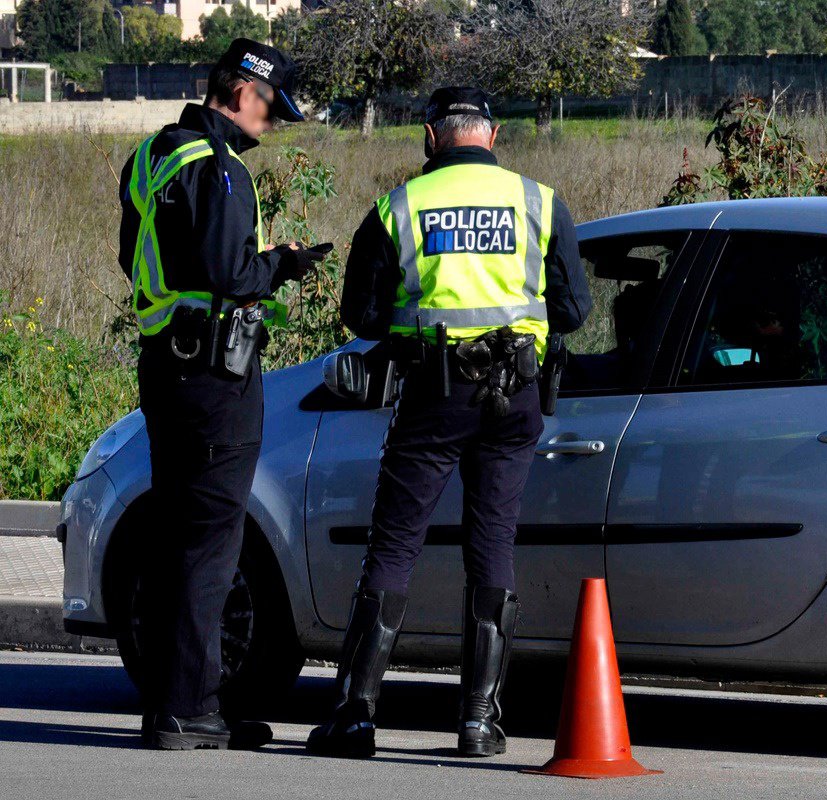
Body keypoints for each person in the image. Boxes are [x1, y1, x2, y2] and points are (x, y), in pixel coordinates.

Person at [307, 87, 592, 759]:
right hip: (514, 396)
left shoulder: (399, 207)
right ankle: (479, 722)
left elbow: (361, 315)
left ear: (432, 136)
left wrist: (415, 318)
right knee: (492, 545)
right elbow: (574, 311)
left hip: (434, 396)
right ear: (492, 135)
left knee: (394, 545)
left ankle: (354, 715)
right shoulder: (540, 202)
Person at [116, 38, 330, 751]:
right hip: (215, 376)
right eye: (270, 107)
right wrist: (282, 264)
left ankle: (169, 703)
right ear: (242, 91)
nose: (270, 123)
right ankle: (190, 709)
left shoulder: (152, 156)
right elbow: (230, 274)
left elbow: (134, 257)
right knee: (211, 543)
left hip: (164, 365)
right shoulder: (220, 166)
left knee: (177, 535)